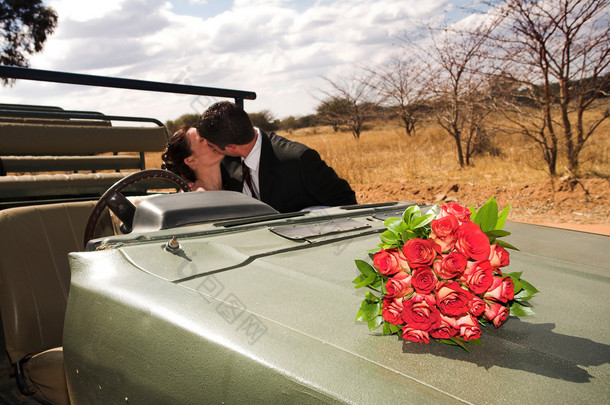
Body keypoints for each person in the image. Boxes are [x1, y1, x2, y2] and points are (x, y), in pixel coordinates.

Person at [196, 101, 357, 213]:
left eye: (212, 146)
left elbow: (345, 201)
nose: (212, 150)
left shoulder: (298, 159)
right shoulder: (227, 162)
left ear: (231, 147)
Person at [161, 125, 223, 191]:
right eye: (202, 140)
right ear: (190, 161)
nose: (210, 140)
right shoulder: (197, 195)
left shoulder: (231, 180)